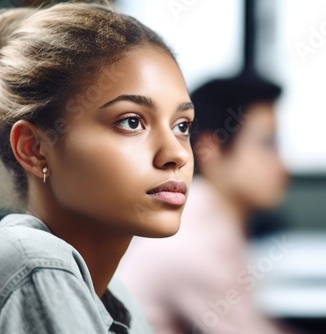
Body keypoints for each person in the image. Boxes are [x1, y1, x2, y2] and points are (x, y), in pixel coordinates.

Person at [0, 1, 194, 333]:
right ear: (35, 149)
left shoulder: (115, 296)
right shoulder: (34, 264)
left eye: (182, 126)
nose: (176, 155)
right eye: (131, 121)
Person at [116, 71, 297, 333]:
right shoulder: (192, 243)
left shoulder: (203, 218)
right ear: (209, 148)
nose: (283, 167)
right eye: (267, 144)